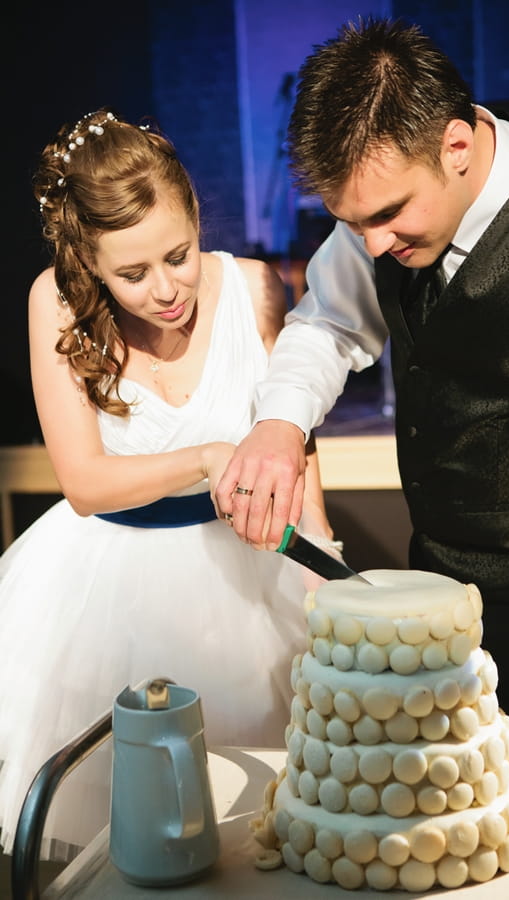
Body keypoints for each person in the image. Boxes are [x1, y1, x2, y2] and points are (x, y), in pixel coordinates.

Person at [216, 18, 509, 760]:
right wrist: (279, 427)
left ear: (456, 146)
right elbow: (327, 322)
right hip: (437, 616)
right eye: (349, 223)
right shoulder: (381, 214)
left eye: (388, 215)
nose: (372, 247)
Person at [0, 107, 339, 860]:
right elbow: (84, 483)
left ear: (194, 214)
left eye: (178, 255)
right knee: (133, 836)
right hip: (112, 591)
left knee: (265, 821)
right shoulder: (53, 304)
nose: (165, 289)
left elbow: (296, 446)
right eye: (131, 273)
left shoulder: (253, 286)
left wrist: (321, 557)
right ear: (88, 262)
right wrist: (208, 457)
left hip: (251, 575)